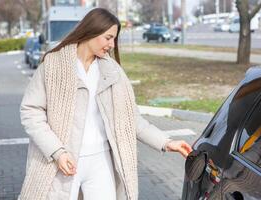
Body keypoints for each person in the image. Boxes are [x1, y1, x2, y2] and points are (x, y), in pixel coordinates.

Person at [19, 8, 192, 200]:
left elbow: (132, 120)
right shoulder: (53, 65)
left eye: (114, 39)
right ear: (91, 31)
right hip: (61, 161)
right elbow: (31, 112)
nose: (111, 44)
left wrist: (167, 142)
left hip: (100, 160)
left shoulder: (113, 72)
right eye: (108, 37)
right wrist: (57, 152)